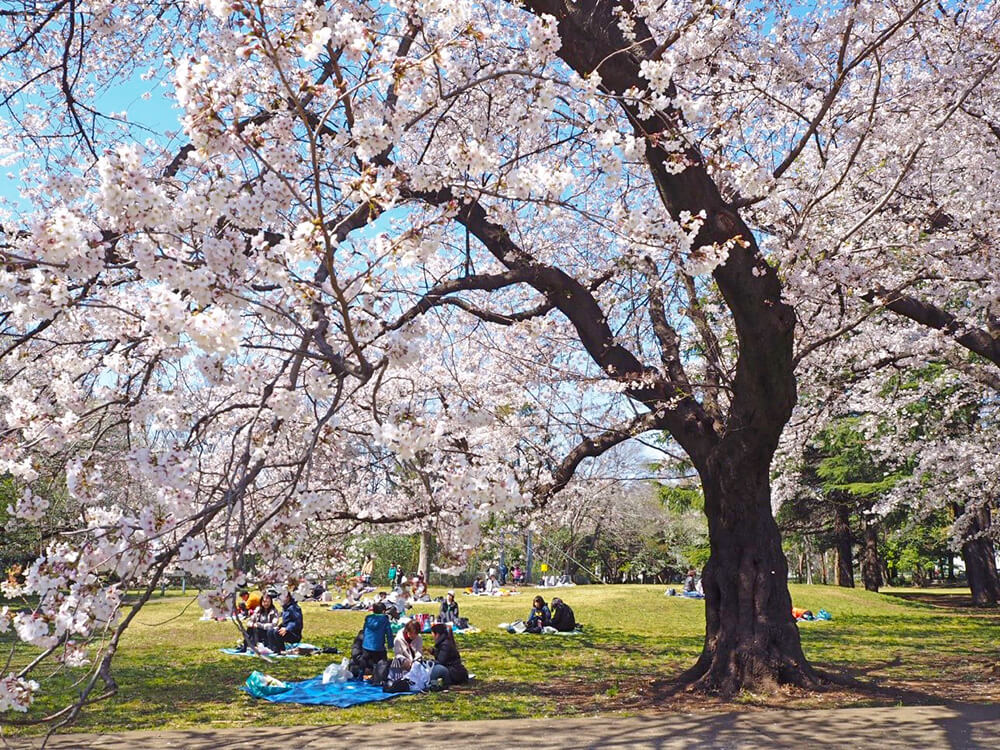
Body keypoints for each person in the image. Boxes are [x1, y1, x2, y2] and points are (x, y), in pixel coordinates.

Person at [361, 601, 393, 666]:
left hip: (366, 645)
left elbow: (364, 630)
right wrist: (390, 645)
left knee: (366, 662)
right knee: (383, 664)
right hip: (378, 647)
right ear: (383, 611)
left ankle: (363, 672)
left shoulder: (368, 618)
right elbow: (389, 634)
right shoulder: (385, 620)